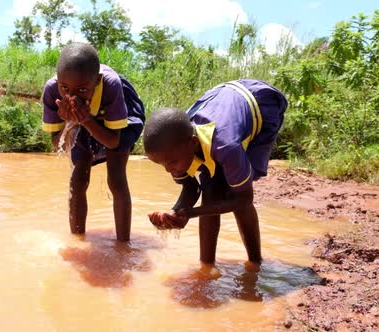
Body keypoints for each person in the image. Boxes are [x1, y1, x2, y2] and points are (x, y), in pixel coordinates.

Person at [143, 79, 287, 264]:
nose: (169, 170)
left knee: (234, 190)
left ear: (193, 143)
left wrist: (191, 213)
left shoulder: (227, 146)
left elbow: (244, 199)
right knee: (210, 191)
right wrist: (174, 213)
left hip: (261, 104)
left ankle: (255, 263)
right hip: (219, 101)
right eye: (162, 165)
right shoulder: (176, 145)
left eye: (171, 163)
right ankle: (206, 266)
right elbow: (190, 187)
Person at [41, 42, 145, 241]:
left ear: (96, 81)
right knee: (78, 180)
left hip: (119, 117)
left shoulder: (111, 85)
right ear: (58, 81)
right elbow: (58, 145)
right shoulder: (52, 91)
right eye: (65, 88)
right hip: (85, 119)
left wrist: (87, 120)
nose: (71, 96)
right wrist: (66, 120)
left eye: (82, 90)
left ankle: (123, 245)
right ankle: (78, 240)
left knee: (116, 179)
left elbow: (114, 142)